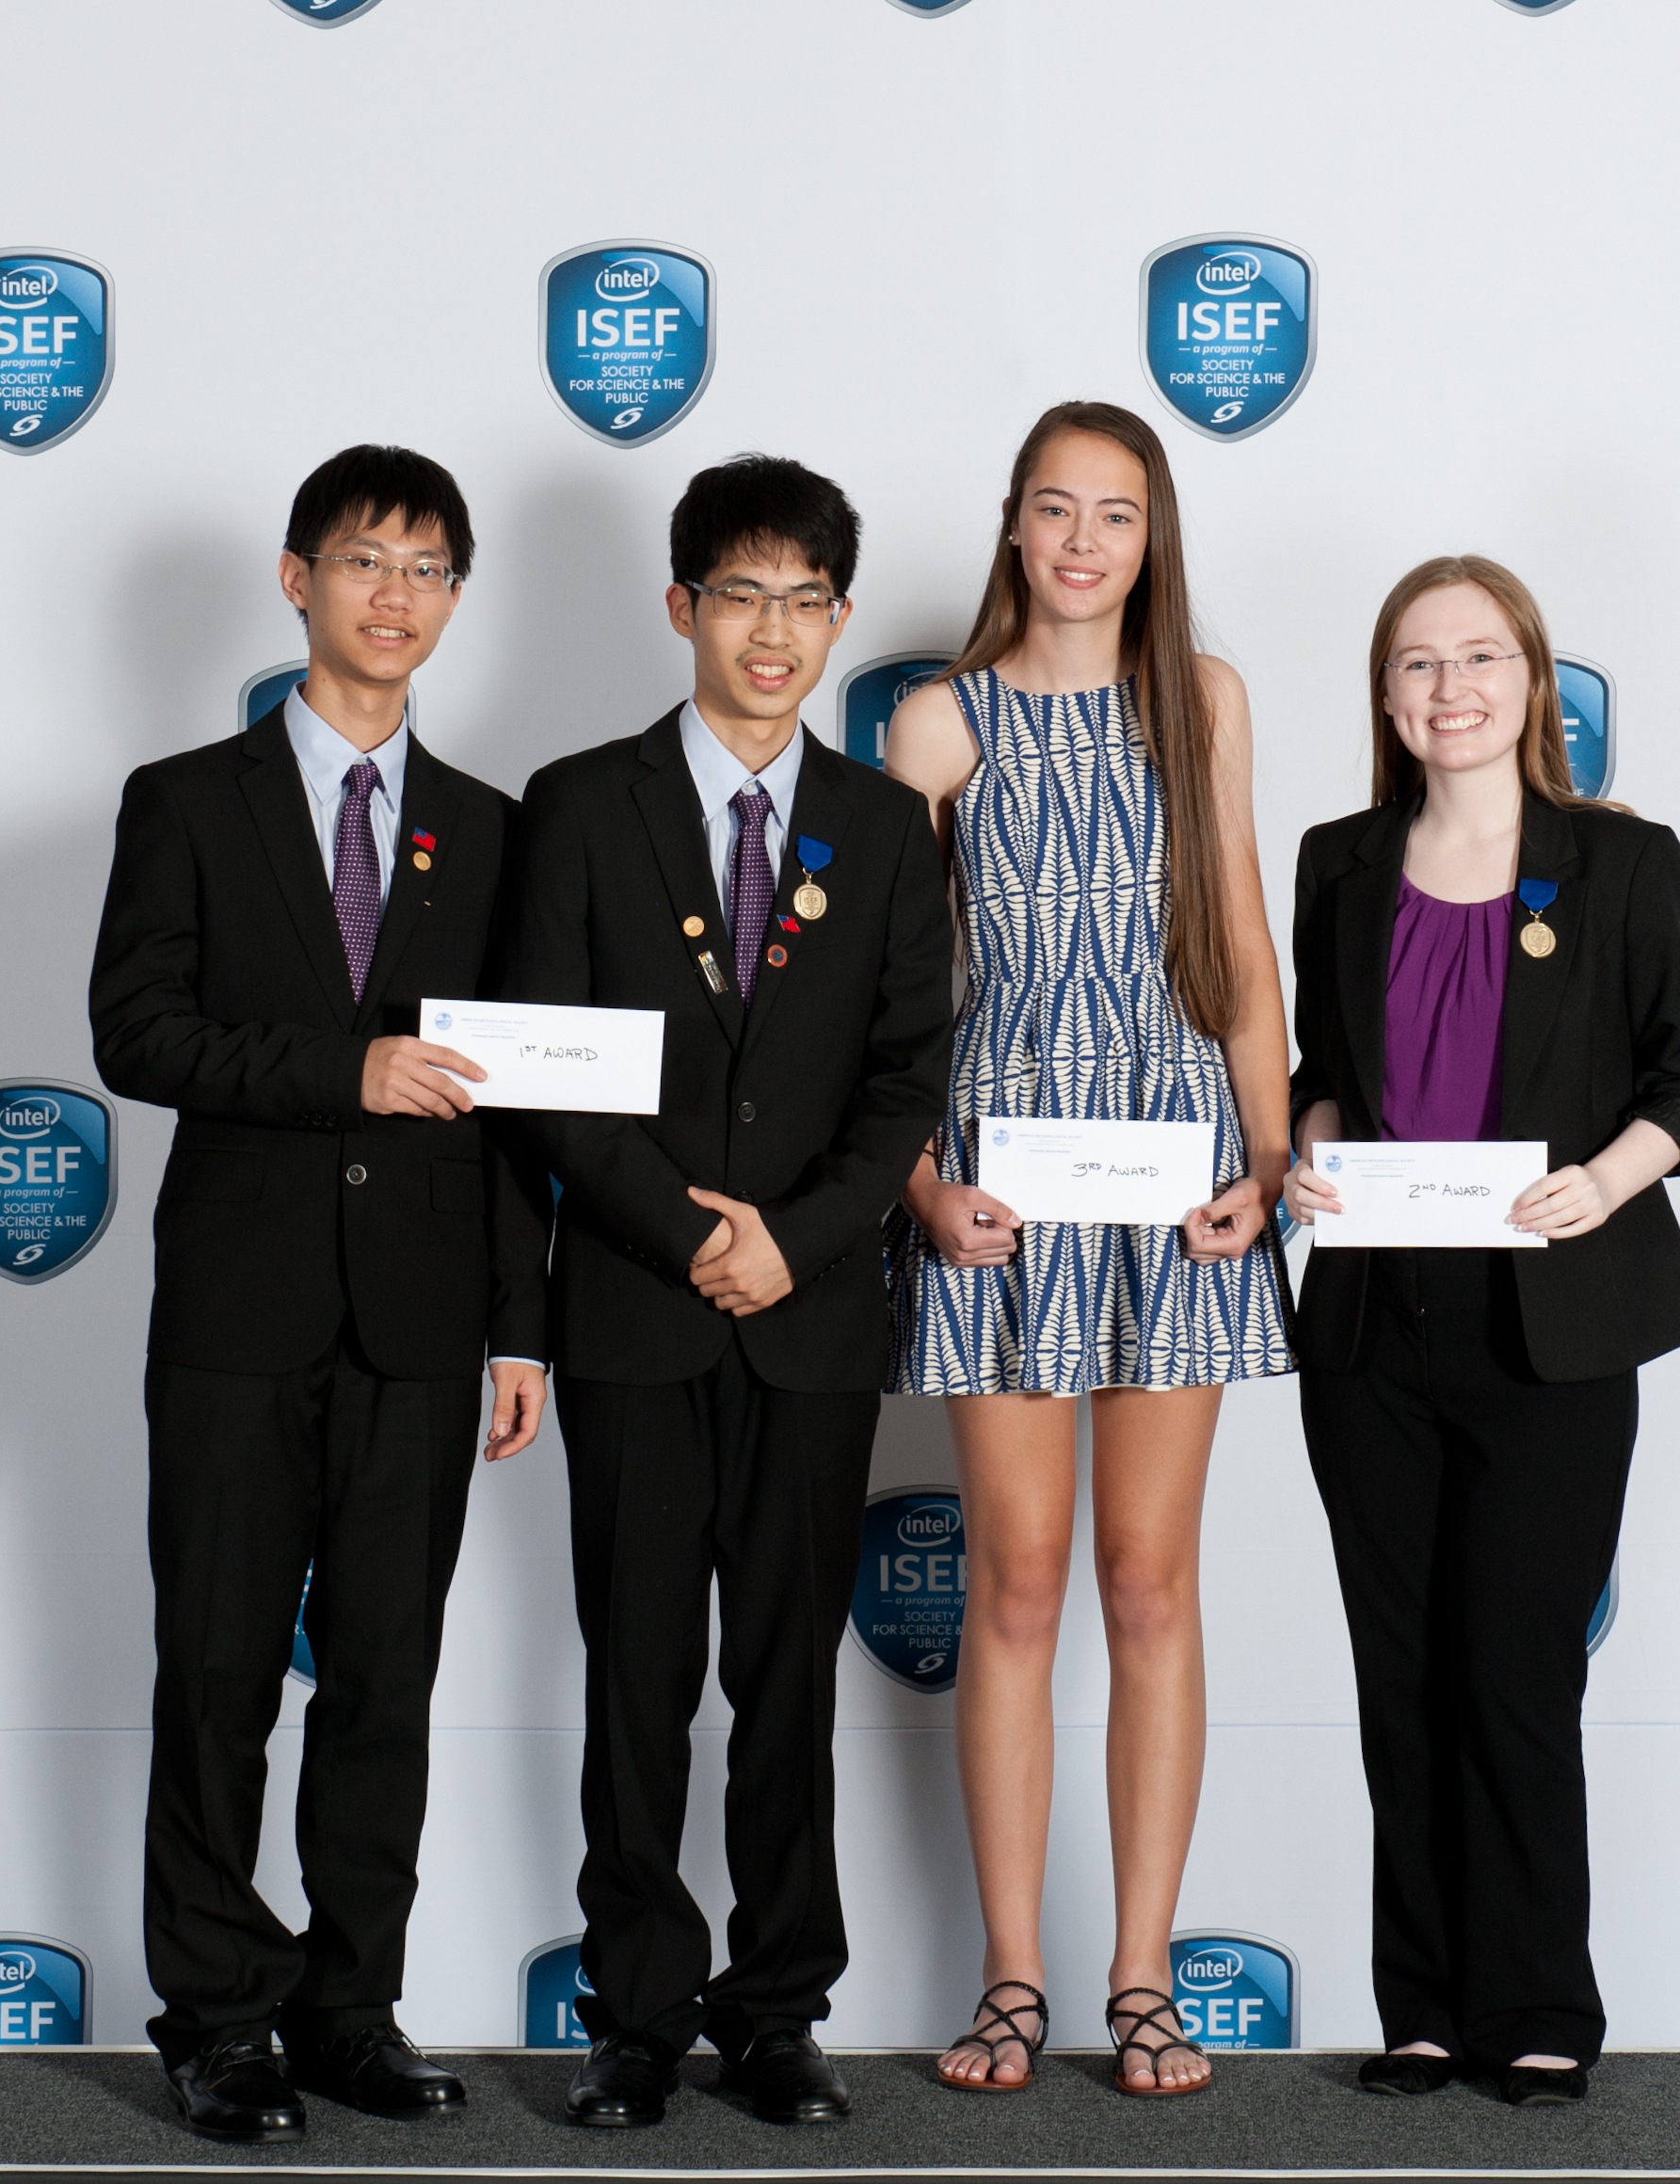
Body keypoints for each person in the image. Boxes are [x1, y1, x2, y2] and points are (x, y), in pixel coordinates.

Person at [88, 445, 550, 2144]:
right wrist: (344, 1072)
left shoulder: (494, 834)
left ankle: (351, 2005)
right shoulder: (183, 801)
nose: (397, 597)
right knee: (213, 1672)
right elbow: (134, 1035)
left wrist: (521, 1323)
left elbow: (512, 1109)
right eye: (367, 561)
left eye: (431, 570)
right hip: (236, 1312)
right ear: (297, 578)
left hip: (424, 1327)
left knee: (386, 1680)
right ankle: (215, 2016)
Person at [505, 455, 952, 2129]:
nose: (775, 634)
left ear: (841, 620)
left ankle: (778, 2012)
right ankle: (634, 2015)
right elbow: (541, 1064)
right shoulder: (580, 804)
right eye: (741, 597)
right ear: (682, 604)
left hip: (815, 1317)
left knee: (787, 1678)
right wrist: (684, 1231)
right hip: (631, 1307)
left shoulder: (883, 827)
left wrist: (802, 1235)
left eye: (807, 603)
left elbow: (908, 1073)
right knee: (634, 1675)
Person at [1281, 554, 1680, 2107]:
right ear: (1387, 698)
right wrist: (1316, 1140)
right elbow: (1317, 1073)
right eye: (1417, 665)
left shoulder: (1618, 863)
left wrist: (1606, 1183)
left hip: (1553, 1325)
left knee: (1520, 1677)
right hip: (1369, 1329)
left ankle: (1539, 2007)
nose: (1450, 690)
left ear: (1532, 683)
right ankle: (1421, 2009)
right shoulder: (1337, 862)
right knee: (1396, 1674)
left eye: (1481, 659)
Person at [884, 400, 1293, 2100]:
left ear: (1152, 533)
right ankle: (1010, 1979)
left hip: (1184, 1180)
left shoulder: (1202, 700)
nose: (1079, 541)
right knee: (1023, 1580)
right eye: (1051, 509)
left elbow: (1248, 951)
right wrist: (919, 1186)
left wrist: (1268, 1166)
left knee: (1150, 1577)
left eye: (1112, 514)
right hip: (999, 1186)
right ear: (1011, 526)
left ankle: (1143, 1978)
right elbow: (885, 1002)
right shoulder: (937, 721)